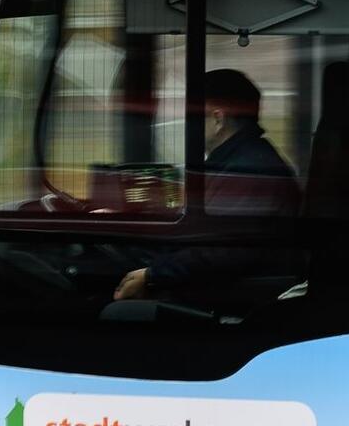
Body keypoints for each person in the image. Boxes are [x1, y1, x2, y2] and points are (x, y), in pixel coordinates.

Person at [113, 68, 300, 300]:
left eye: (192, 116)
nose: (187, 124)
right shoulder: (231, 161)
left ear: (217, 119)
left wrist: (152, 276)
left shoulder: (250, 169)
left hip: (230, 294)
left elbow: (222, 251)